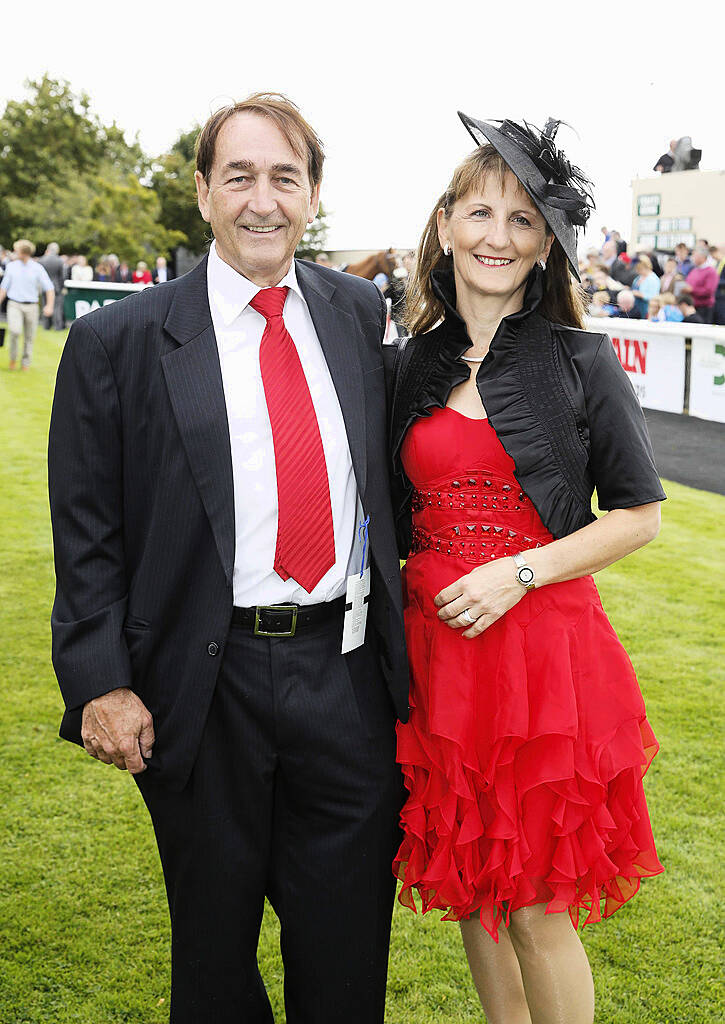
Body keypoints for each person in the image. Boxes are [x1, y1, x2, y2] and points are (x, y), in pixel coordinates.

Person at [48, 92, 409, 1024]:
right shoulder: (114, 342)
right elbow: (86, 528)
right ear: (202, 192)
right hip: (202, 689)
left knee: (345, 950)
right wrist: (100, 682)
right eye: (239, 176)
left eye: (284, 177)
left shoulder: (355, 311)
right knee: (213, 960)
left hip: (347, 680)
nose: (263, 200)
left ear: (312, 194)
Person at [385, 112, 664, 1024]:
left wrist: (520, 572)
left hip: (539, 663)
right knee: (475, 889)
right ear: (443, 225)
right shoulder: (404, 366)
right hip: (436, 660)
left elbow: (638, 516)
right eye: (478, 213)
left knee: (539, 905)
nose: (495, 237)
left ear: (544, 245)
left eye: (519, 221)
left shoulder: (582, 361)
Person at [0, 239, 54, 370]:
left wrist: (49, 306)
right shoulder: (12, 267)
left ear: (24, 252)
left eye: (16, 250)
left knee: (29, 336)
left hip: (32, 306)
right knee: (15, 331)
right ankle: (13, 359)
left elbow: (49, 287)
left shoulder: (37, 268)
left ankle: (25, 363)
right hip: (14, 304)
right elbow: (4, 288)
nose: (14, 252)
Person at [682, 247, 718, 323]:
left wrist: (692, 290)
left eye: (695, 256)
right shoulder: (694, 270)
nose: (692, 258)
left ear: (702, 257)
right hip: (692, 307)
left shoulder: (711, 271)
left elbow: (709, 291)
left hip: (704, 308)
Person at [38, 242, 66, 331]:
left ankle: (46, 325)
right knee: (57, 307)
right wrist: (61, 287)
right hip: (56, 286)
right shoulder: (59, 260)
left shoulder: (42, 260)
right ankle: (57, 326)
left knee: (45, 305)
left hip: (44, 287)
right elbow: (62, 276)